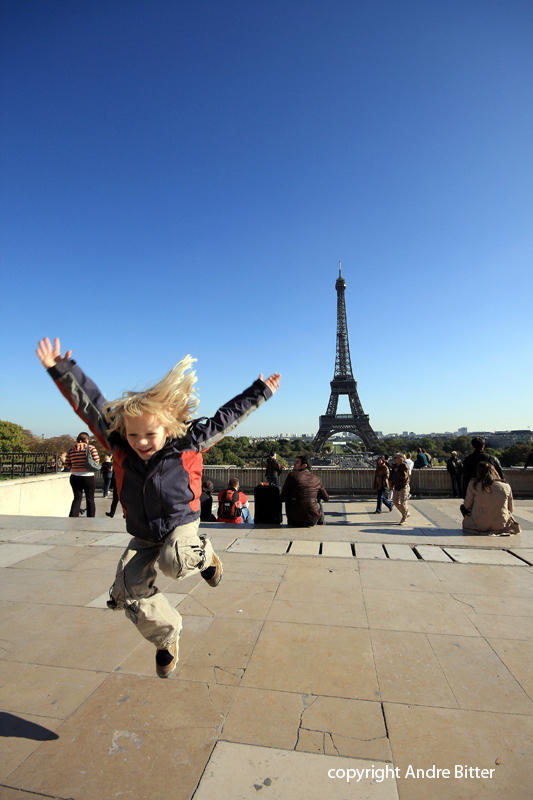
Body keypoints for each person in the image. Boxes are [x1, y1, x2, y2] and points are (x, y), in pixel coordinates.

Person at [36, 336, 280, 679]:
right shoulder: (120, 445)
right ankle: (166, 637)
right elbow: (92, 406)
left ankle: (205, 556)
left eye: (149, 435)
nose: (141, 443)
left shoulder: (188, 443)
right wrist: (61, 369)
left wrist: (261, 390)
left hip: (180, 523)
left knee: (174, 559)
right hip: (144, 531)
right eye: (133, 436)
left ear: (168, 428)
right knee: (128, 589)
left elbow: (227, 417)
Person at [461, 462, 521, 536]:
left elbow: (467, 506)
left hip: (479, 524)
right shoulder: (506, 486)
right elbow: (511, 509)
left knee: (463, 508)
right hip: (501, 524)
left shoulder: (474, 484)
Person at [281, 454, 329, 526]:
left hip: (294, 518)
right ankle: (321, 522)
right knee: (318, 497)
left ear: (304, 466)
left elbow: (283, 497)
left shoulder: (292, 475)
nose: (294, 463)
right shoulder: (317, 478)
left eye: (297, 462)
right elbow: (326, 498)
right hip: (313, 519)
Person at [64, 432, 100, 517]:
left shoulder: (72, 449)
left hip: (75, 476)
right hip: (88, 476)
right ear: (87, 439)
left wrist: (76, 466)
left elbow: (67, 464)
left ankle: (73, 517)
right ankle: (91, 518)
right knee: (90, 498)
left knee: (77, 498)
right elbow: (96, 460)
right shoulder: (91, 448)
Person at [389, 453, 410, 525]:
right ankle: (406, 513)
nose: (394, 459)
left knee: (403, 502)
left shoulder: (404, 466)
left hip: (403, 486)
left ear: (400, 459)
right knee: (395, 501)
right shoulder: (396, 466)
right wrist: (392, 486)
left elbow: (404, 477)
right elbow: (394, 477)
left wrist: (397, 471)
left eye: (396, 457)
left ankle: (404, 518)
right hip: (397, 486)